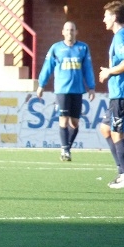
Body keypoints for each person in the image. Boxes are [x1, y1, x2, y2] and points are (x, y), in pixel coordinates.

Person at [36, 21, 95, 161]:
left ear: (76, 32)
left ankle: (67, 147)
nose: (70, 32)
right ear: (63, 32)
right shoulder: (56, 48)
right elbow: (47, 67)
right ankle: (65, 150)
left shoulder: (83, 48)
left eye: (72, 30)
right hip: (62, 90)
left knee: (74, 123)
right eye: (67, 30)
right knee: (63, 119)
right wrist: (41, 84)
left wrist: (91, 87)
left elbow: (88, 68)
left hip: (77, 90)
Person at [99, 1, 124, 189]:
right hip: (121, 92)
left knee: (117, 133)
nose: (103, 19)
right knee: (106, 129)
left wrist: (109, 71)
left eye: (106, 16)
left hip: (123, 92)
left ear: (114, 17)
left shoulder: (121, 36)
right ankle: (122, 171)